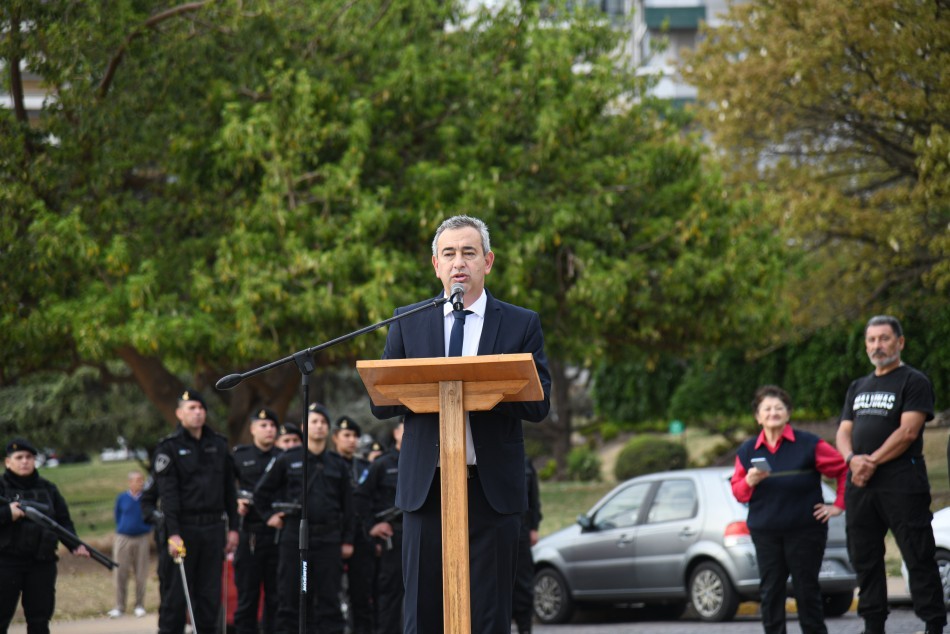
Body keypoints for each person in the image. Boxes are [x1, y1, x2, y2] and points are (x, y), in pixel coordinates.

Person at [370, 214, 551, 633]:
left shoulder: (521, 323)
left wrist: (484, 387)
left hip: (491, 489)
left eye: (469, 252)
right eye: (449, 254)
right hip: (426, 488)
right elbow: (382, 403)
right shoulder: (407, 321)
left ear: (488, 261)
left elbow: (539, 402)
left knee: (489, 615)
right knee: (423, 614)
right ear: (436, 265)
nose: (459, 263)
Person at [835, 315, 945, 634]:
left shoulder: (913, 381)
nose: (877, 346)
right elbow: (843, 431)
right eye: (871, 340)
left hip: (902, 481)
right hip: (860, 485)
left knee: (917, 552)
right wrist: (852, 460)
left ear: (900, 342)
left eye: (884, 339)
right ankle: (873, 625)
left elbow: (908, 431)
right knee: (865, 556)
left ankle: (933, 623)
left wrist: (870, 461)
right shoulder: (857, 386)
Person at [730, 386, 848, 634]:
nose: (773, 413)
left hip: (806, 531)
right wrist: (749, 480)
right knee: (771, 591)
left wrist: (838, 505)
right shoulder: (748, 451)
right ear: (758, 417)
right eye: (767, 409)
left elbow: (843, 469)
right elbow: (738, 492)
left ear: (788, 413)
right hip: (766, 533)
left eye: (778, 408)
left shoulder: (809, 444)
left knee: (806, 590)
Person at [255, 402, 354, 634]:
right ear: (304, 427)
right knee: (291, 600)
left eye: (323, 422)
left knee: (330, 602)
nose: (319, 426)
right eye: (314, 421)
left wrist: (348, 540)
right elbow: (261, 494)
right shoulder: (288, 459)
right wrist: (269, 517)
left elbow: (349, 506)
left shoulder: (337, 464)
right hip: (295, 540)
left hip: (328, 540)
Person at [153, 389, 239, 634]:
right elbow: (168, 496)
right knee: (175, 599)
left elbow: (229, 491)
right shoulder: (169, 448)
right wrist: (173, 533)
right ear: (179, 414)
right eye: (192, 408)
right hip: (184, 529)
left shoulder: (218, 445)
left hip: (213, 529)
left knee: (209, 599)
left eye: (201, 408)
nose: (198, 413)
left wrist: (234, 528)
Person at [0, 438, 90, 634]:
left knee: (40, 621)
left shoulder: (48, 489)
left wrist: (74, 544)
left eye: (29, 457)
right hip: (6, 563)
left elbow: (63, 521)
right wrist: (7, 513)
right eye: (19, 457)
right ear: (8, 462)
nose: (25, 461)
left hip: (41, 563)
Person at [232, 408, 280, 634]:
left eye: (272, 425)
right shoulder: (240, 456)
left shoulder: (283, 457)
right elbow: (224, 487)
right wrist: (236, 501)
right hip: (250, 535)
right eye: (263, 425)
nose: (269, 429)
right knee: (247, 598)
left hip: (278, 535)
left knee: (277, 598)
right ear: (252, 429)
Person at [356, 420, 404, 634]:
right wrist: (372, 526)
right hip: (394, 535)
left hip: (423, 535)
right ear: (396, 432)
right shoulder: (382, 464)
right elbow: (360, 496)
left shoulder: (426, 459)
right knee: (391, 594)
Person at [332, 416, 374, 634]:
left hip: (361, 536)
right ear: (335, 437)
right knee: (329, 595)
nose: (351, 440)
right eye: (346, 435)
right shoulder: (329, 464)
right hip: (333, 535)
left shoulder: (366, 467)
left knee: (361, 595)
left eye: (355, 436)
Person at [108, 471, 152, 619]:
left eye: (142, 480)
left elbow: (150, 515)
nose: (141, 483)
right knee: (120, 572)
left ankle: (139, 605)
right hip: (123, 538)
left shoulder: (146, 498)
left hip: (142, 538)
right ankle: (119, 606)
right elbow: (117, 516)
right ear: (130, 482)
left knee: (141, 573)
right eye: (137, 480)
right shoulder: (122, 498)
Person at [511, 456, 542, 634]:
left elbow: (534, 498)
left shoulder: (525, 461)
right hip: (498, 529)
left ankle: (525, 629)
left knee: (523, 584)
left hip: (522, 530)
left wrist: (534, 527)